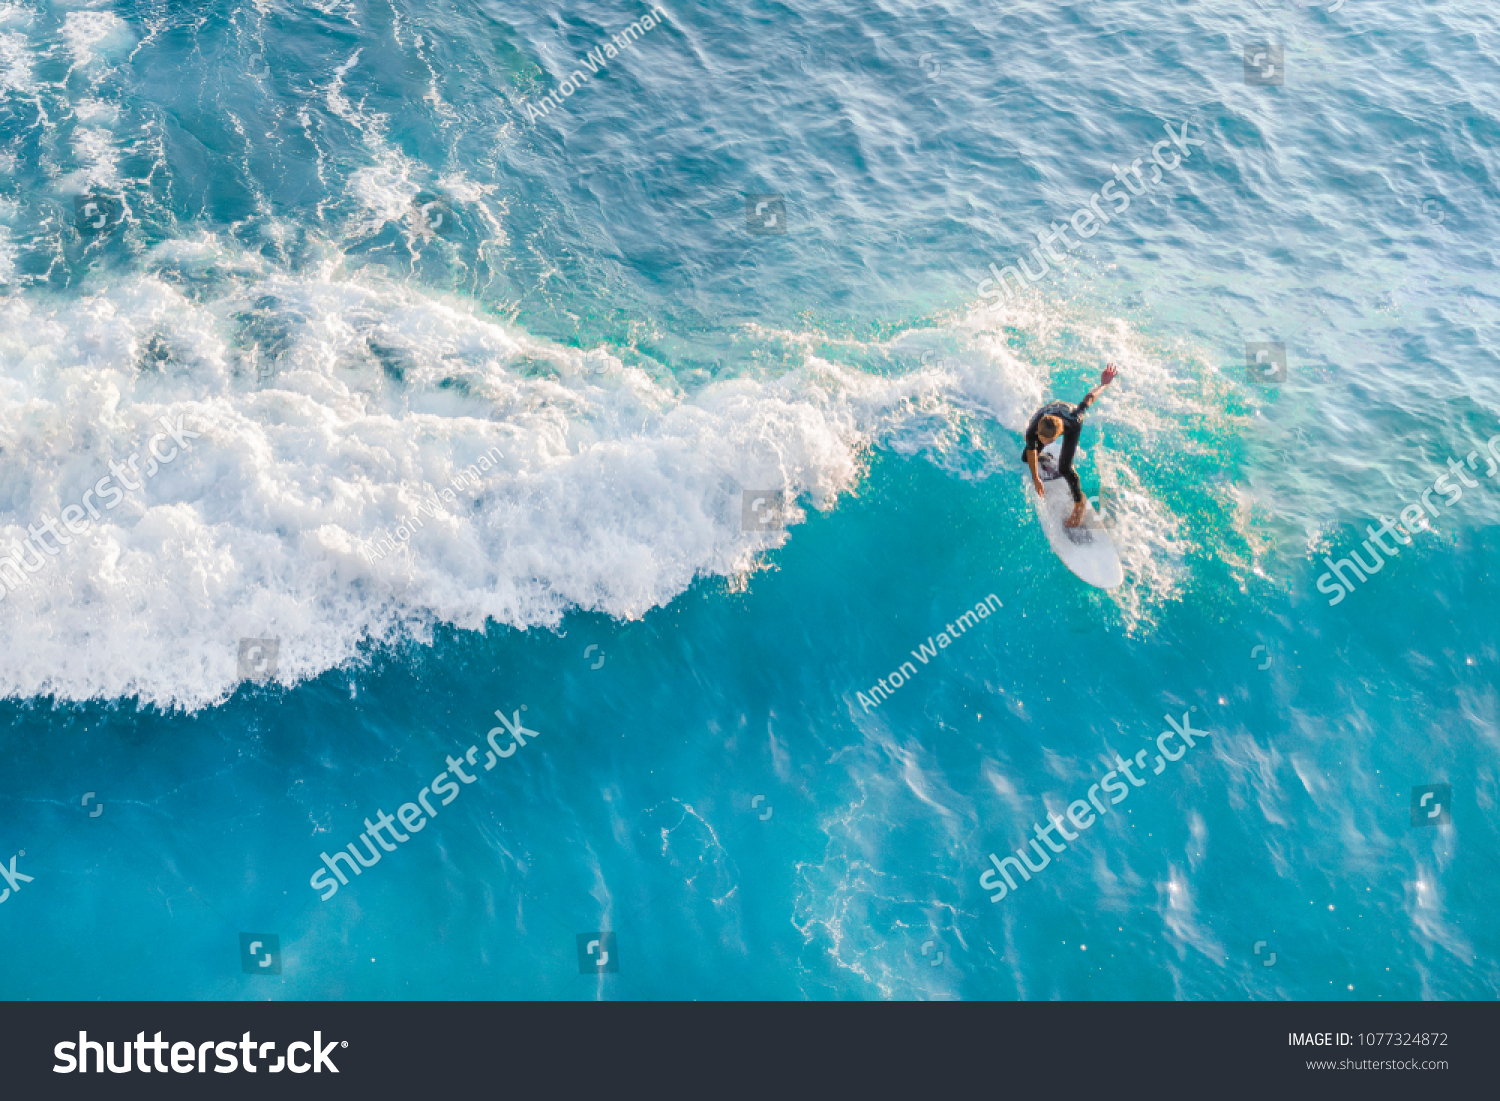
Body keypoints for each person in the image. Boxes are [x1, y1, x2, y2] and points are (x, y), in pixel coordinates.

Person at [1022, 364, 1119, 527]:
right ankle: (1046, 458)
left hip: (1069, 420)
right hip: (1049, 412)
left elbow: (1089, 398)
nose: (1044, 443)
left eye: (1047, 441)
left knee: (1065, 468)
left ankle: (1079, 505)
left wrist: (1104, 384)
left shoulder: (1075, 418)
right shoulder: (1034, 428)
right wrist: (1035, 477)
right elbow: (1031, 450)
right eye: (1041, 439)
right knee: (1027, 456)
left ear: (1056, 437)